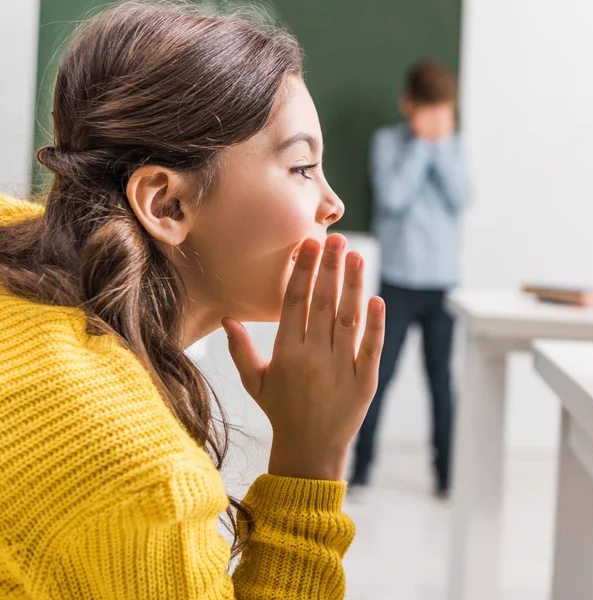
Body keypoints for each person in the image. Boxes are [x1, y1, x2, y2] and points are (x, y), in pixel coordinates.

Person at [0, 3, 386, 598]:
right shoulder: (135, 474)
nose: (331, 204)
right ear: (166, 205)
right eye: (302, 166)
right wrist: (310, 460)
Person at [349, 60, 471, 497]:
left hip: (442, 285)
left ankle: (445, 477)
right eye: (429, 109)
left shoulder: (454, 145)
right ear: (409, 106)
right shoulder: (388, 143)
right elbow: (394, 197)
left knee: (441, 382)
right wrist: (422, 143)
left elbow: (462, 197)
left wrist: (439, 146)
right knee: (379, 378)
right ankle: (361, 471)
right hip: (399, 282)